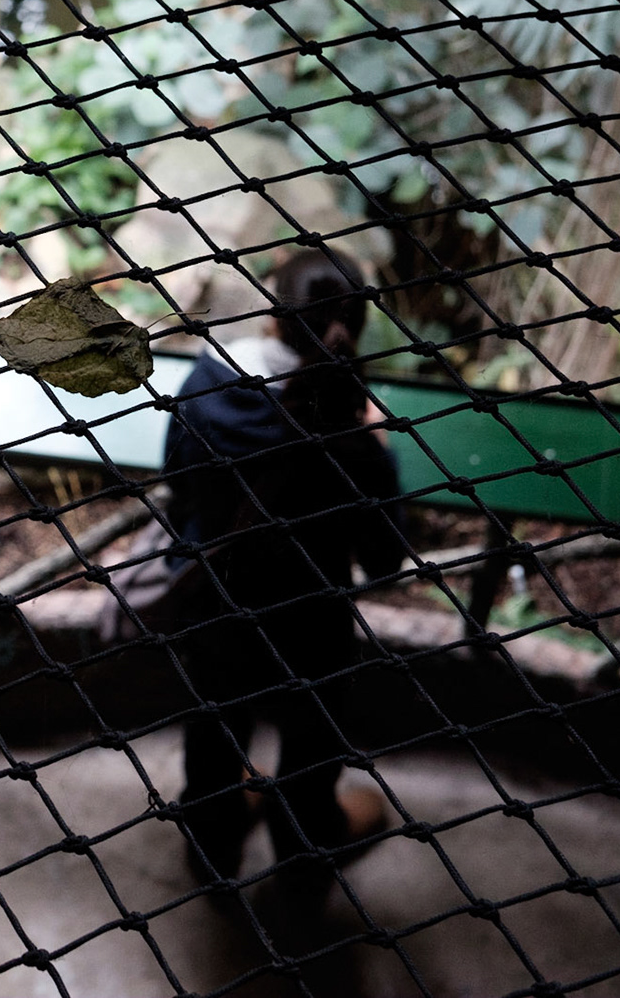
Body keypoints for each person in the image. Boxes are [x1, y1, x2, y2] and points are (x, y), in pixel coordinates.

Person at [158, 248, 405, 886]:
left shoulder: (207, 387)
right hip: (310, 624)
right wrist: (376, 448)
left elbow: (179, 482)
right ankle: (304, 846)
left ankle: (211, 845)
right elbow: (383, 560)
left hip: (218, 606)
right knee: (312, 740)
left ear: (274, 315)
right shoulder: (354, 438)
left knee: (212, 729)